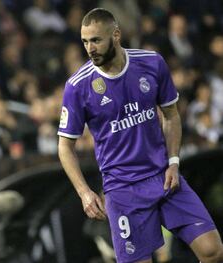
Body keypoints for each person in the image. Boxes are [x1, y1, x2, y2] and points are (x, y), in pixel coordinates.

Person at [57, 8, 223, 263]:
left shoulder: (151, 63)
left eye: (96, 40)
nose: (90, 48)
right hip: (123, 190)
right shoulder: (78, 87)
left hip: (164, 177)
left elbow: (171, 115)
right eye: (85, 41)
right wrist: (84, 192)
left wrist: (174, 162)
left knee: (213, 250)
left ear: (116, 35)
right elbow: (65, 147)